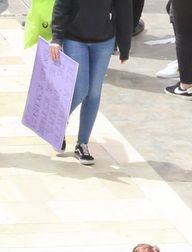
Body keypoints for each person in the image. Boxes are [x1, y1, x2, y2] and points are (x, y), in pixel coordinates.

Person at [50, 0, 132, 165]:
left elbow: (124, 11)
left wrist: (125, 46)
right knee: (81, 90)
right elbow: (61, 6)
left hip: (104, 41)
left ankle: (82, 144)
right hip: (74, 39)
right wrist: (56, 38)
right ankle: (57, 123)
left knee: (94, 92)